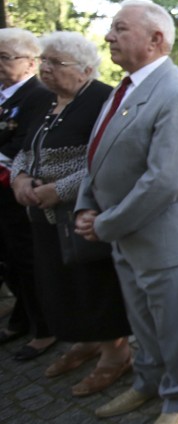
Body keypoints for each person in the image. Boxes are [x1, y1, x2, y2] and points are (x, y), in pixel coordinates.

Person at [75, 0, 178, 424]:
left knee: (176, 325)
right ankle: (147, 383)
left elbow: (164, 181)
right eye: (111, 29)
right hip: (124, 232)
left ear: (156, 40)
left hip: (162, 237)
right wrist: (86, 204)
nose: (109, 37)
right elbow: (97, 154)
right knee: (142, 321)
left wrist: (105, 223)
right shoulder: (125, 87)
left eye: (120, 29)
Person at [10, 31, 132, 396]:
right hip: (43, 215)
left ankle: (115, 355)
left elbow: (106, 160)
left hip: (82, 214)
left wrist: (58, 190)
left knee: (93, 284)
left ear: (84, 70)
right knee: (61, 283)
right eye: (43, 60)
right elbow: (27, 146)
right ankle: (87, 341)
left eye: (54, 63)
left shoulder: (102, 100)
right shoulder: (49, 101)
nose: (44, 69)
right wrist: (19, 178)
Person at [0, 28, 54, 359]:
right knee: (8, 260)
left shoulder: (39, 95)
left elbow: (26, 145)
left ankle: (44, 327)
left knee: (25, 258)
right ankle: (22, 316)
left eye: (5, 57)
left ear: (30, 63)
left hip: (19, 194)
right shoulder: (4, 94)